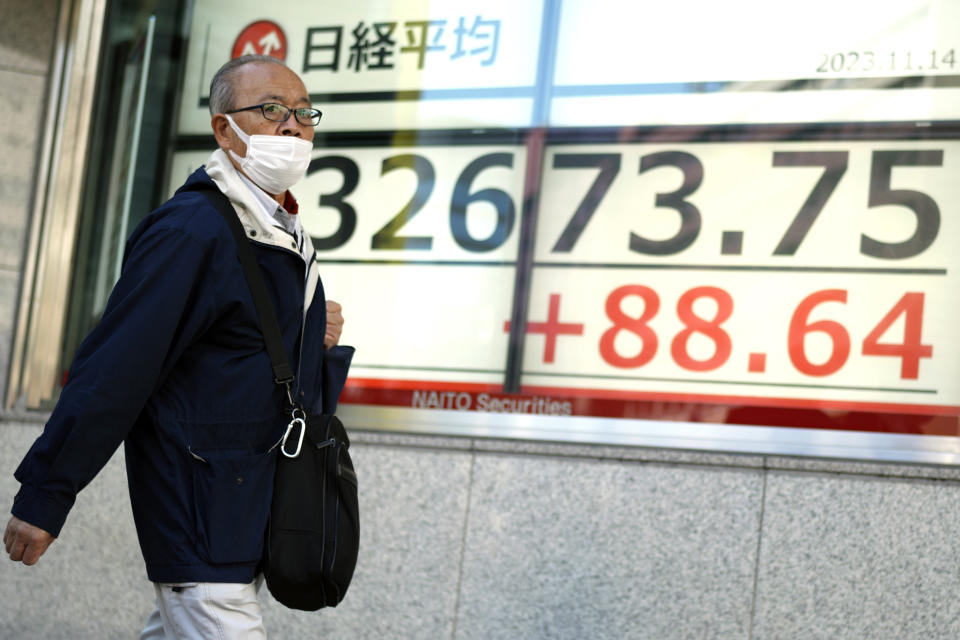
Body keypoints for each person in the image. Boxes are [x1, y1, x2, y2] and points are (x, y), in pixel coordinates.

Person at [3, 55, 353, 638]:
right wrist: (45, 493)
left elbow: (242, 362)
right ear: (224, 129)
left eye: (302, 114)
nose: (292, 127)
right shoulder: (192, 230)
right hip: (202, 512)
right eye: (271, 111)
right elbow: (115, 369)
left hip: (248, 511)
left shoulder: (277, 233)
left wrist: (308, 336)